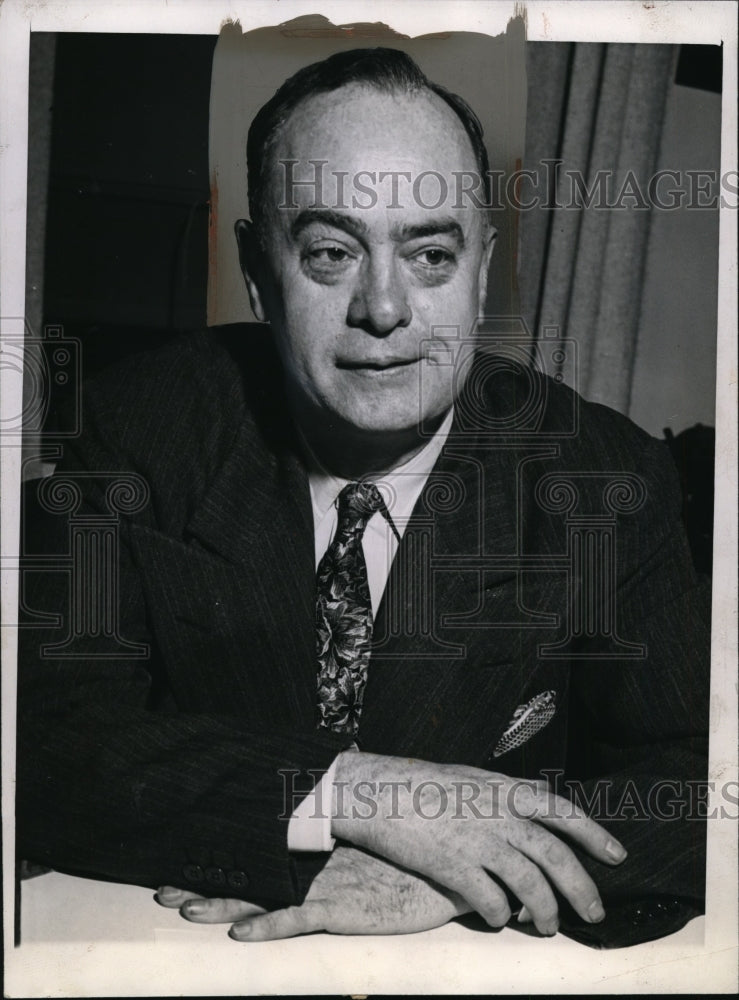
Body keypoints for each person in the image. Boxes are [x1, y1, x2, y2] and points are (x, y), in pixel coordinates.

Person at [17, 47, 710, 949]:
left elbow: (696, 783)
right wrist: (353, 792)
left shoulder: (602, 476)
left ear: (482, 269)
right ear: (258, 270)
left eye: (429, 253)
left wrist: (459, 869)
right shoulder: (135, 428)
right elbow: (38, 740)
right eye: (331, 251)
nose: (383, 309)